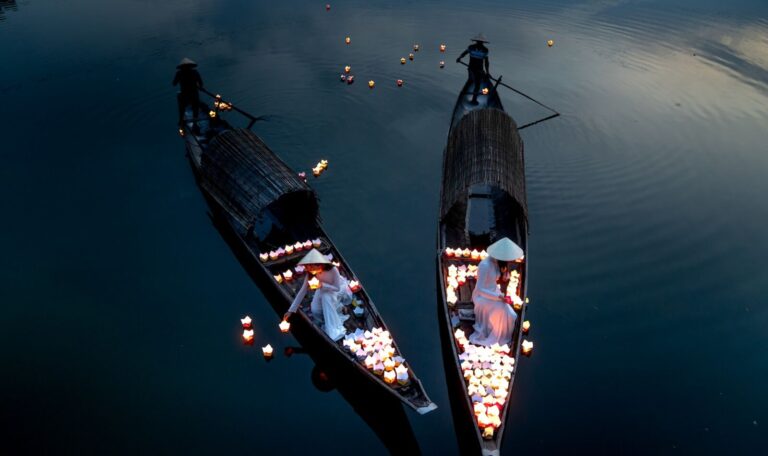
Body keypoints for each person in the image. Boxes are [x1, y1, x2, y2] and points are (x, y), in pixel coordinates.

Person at [284, 249, 352, 341]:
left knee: (326, 298)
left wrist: (322, 285)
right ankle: (335, 310)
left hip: (336, 289)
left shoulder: (333, 270)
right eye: (308, 267)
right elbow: (302, 291)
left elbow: (337, 288)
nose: (310, 270)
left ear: (319, 264)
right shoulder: (311, 273)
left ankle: (332, 327)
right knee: (315, 310)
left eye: (311, 267)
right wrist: (291, 310)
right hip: (322, 288)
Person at [469, 237, 523, 346]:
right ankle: (497, 335)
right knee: (502, 309)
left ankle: (503, 332)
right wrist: (498, 297)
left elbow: (497, 278)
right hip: (482, 296)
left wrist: (505, 275)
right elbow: (480, 289)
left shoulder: (497, 262)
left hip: (494, 291)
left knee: (512, 315)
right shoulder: (485, 265)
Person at [456, 33, 490, 105]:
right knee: (477, 84)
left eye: (480, 42)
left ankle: (472, 96)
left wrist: (487, 72)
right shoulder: (481, 49)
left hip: (476, 69)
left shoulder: (482, 49)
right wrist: (459, 58)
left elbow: (486, 62)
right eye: (479, 42)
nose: (479, 43)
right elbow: (465, 53)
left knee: (473, 81)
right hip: (474, 69)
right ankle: (474, 100)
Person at [173, 57, 204, 127]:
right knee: (195, 107)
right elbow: (201, 83)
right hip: (194, 93)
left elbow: (174, 83)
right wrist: (200, 87)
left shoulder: (179, 73)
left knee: (182, 108)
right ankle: (195, 123)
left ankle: (181, 120)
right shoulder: (195, 72)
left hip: (185, 94)